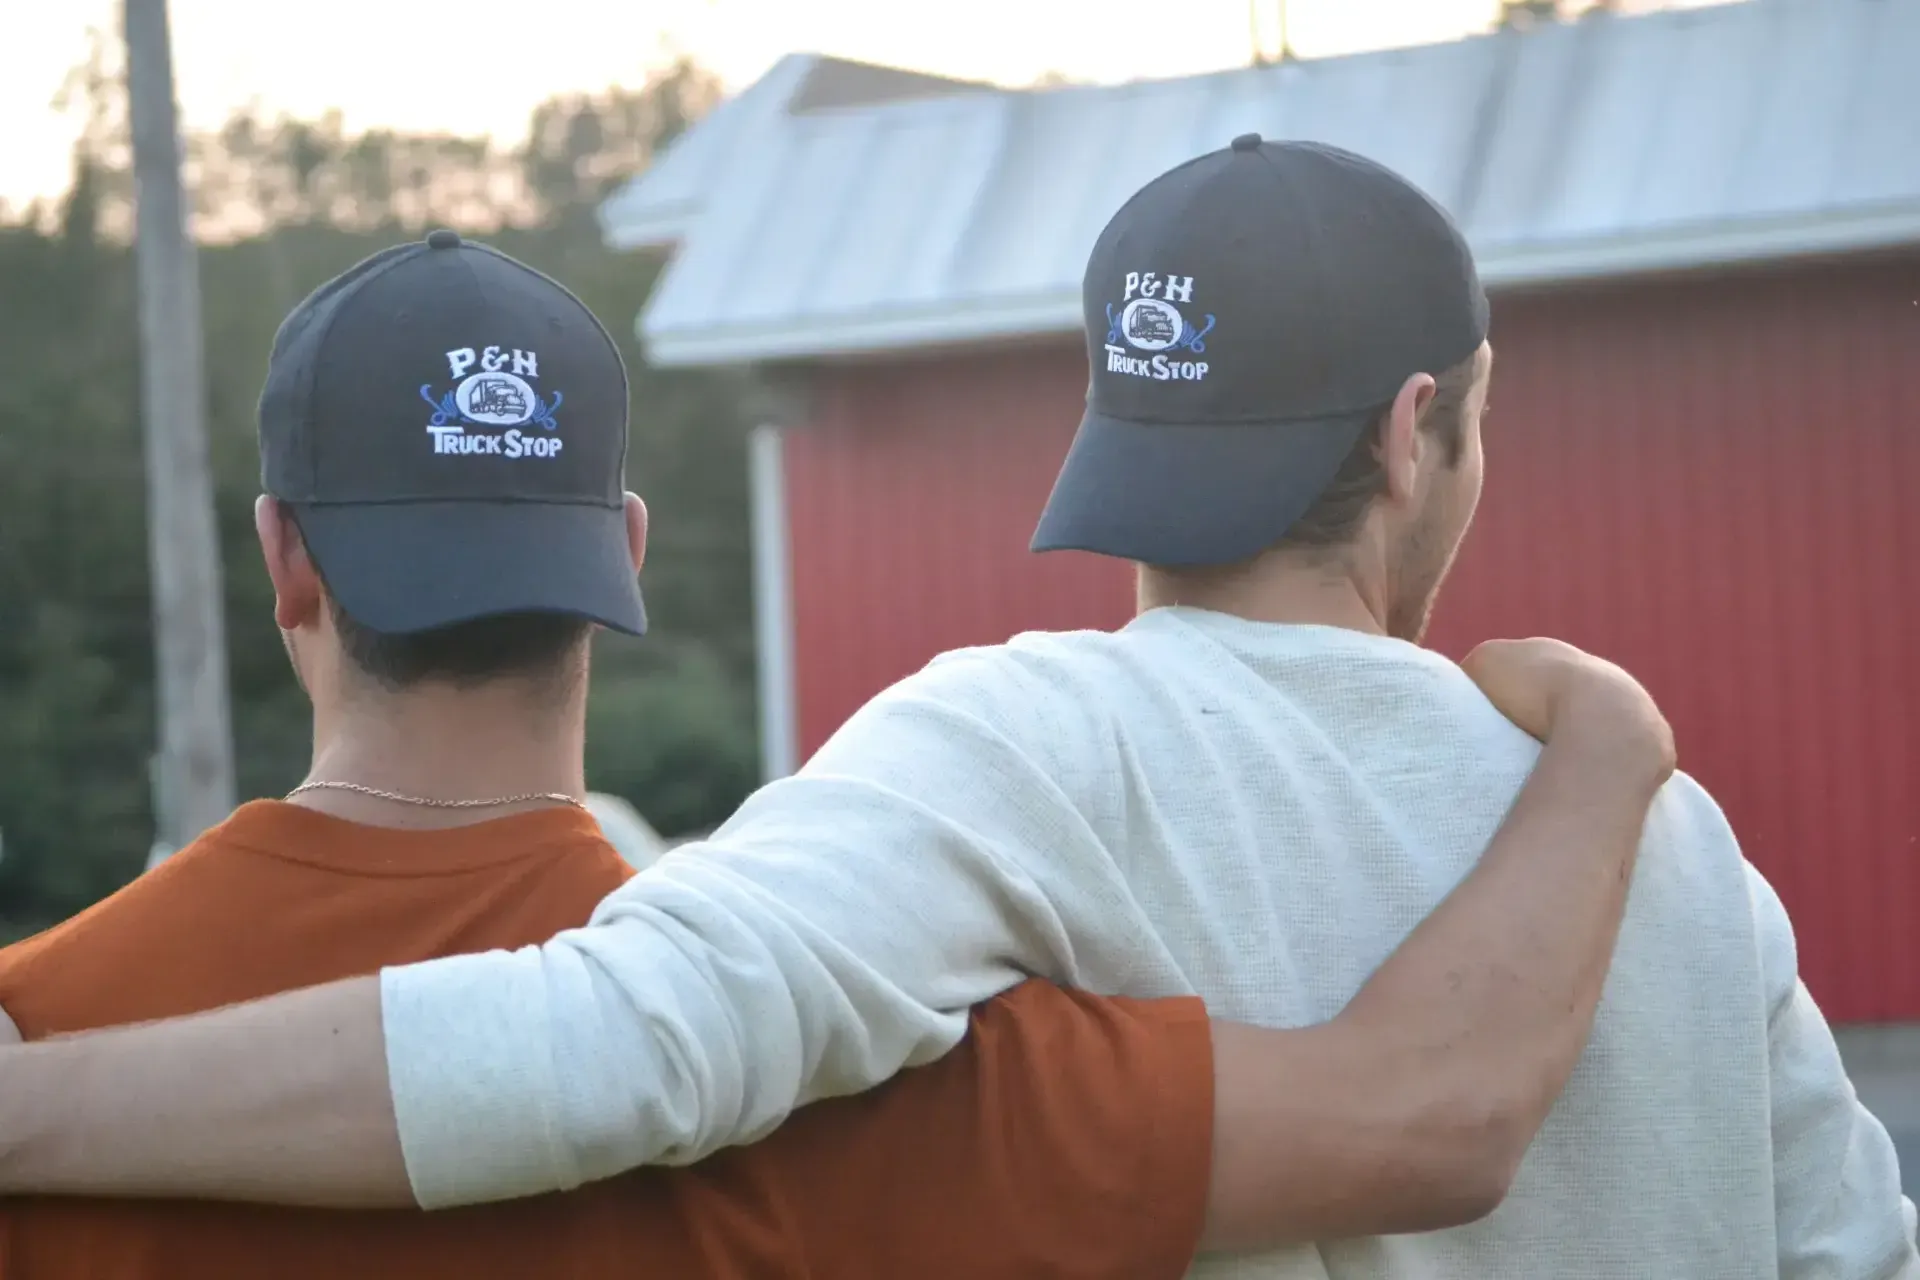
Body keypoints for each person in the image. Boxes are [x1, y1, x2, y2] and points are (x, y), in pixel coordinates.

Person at [0, 141, 1907, 1275]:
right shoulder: (1665, 848)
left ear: (283, 561)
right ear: (1423, 432)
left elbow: (626, 1031)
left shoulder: (1018, 754)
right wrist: (1619, 750)